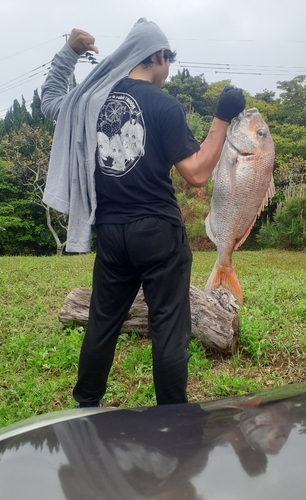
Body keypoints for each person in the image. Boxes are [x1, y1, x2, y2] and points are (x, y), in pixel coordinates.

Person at [41, 18, 246, 408]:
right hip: (158, 231)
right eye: (168, 59)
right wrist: (221, 117)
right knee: (168, 326)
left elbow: (50, 99)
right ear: (156, 55)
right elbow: (197, 173)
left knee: (102, 324)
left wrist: (68, 53)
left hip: (112, 232)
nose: (168, 70)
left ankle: (85, 408)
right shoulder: (162, 104)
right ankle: (172, 419)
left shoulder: (89, 101)